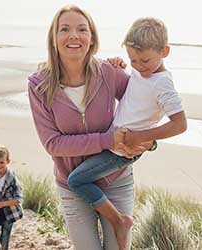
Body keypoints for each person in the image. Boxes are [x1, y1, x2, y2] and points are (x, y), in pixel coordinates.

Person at [28, 5, 154, 250]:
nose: (73, 35)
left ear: (92, 38)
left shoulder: (109, 73)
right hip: (71, 185)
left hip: (116, 180)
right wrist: (109, 140)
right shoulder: (38, 85)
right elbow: (52, 144)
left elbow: (144, 107)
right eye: (64, 29)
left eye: (81, 29)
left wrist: (150, 140)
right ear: (54, 39)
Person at [66, 16, 187, 248]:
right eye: (133, 60)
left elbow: (180, 124)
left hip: (124, 149)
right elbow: (133, 99)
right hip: (117, 143)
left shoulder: (163, 83)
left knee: (76, 180)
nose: (139, 66)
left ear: (165, 51)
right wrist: (119, 65)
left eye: (145, 60)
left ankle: (119, 221)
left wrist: (142, 137)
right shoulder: (142, 74)